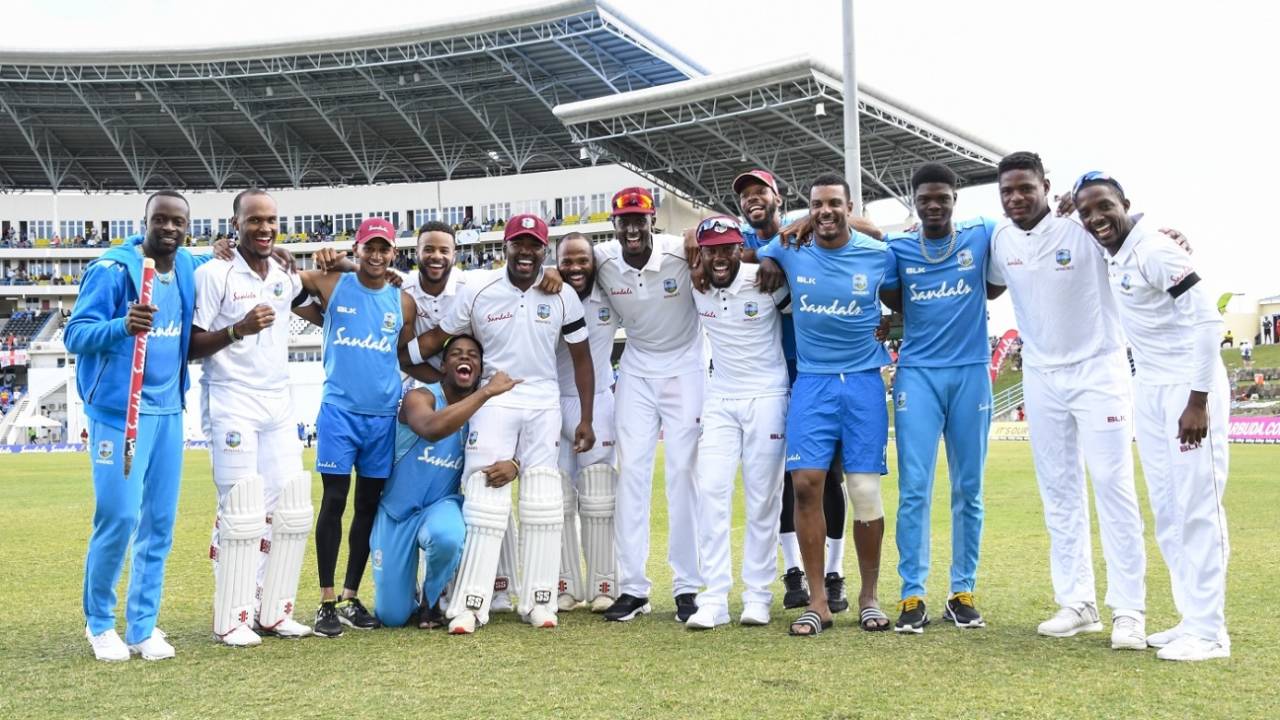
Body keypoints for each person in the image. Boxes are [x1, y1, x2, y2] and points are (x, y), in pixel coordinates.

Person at [402, 213, 595, 633]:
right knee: (483, 492)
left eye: (534, 245)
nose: (525, 252)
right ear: (504, 247)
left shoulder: (561, 294)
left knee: (542, 498)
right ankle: (471, 599)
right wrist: (400, 356)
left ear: (544, 250)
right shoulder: (480, 291)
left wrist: (586, 417)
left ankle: (540, 600)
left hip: (543, 400)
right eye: (518, 244)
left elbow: (582, 360)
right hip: (493, 398)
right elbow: (438, 338)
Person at [986, 152, 1148, 648]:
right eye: (1006, 192)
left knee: (1112, 485)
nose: (1015, 199)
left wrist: (1170, 232)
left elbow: (1131, 226)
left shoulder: (1080, 226)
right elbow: (989, 286)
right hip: (1040, 374)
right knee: (1058, 491)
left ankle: (1129, 610)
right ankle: (1078, 602)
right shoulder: (999, 239)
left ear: (1045, 186)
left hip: (1098, 368)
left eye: (1024, 189)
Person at [1074, 173, 1231, 661]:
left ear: (1126, 203)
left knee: (1198, 508)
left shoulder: (1155, 249)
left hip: (1189, 389)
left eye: (1105, 206)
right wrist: (1070, 203)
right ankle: (1191, 619)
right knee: (1168, 510)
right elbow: (1070, 210)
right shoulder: (1115, 249)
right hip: (1152, 388)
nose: (1096, 218)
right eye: (1086, 212)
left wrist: (1198, 400)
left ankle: (1210, 632)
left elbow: (1208, 320)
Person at [65, 190, 207, 661]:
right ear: (144, 221)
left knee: (159, 523)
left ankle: (143, 626)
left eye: (178, 222)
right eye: (160, 220)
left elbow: (223, 260)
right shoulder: (111, 270)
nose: (169, 228)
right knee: (120, 517)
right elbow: (76, 334)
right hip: (118, 414)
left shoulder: (186, 264)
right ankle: (100, 624)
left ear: (187, 227)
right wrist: (122, 326)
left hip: (169, 411)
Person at [757, 173, 893, 636]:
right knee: (807, 485)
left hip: (863, 383)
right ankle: (817, 601)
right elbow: (742, 249)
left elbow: (902, 296)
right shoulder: (790, 249)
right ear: (808, 208)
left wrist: (891, 321)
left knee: (863, 491)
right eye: (817, 205)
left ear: (849, 206)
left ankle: (869, 597)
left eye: (835, 204)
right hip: (812, 384)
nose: (826, 211)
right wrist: (791, 228)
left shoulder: (878, 255)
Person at [188, 189, 315, 646]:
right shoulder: (213, 273)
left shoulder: (283, 270)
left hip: (278, 402)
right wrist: (237, 329)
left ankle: (273, 611)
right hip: (232, 398)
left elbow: (316, 285)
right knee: (242, 507)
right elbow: (190, 346)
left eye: (271, 221)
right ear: (235, 223)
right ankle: (232, 616)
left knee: (287, 507)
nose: (264, 228)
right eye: (254, 220)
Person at [729, 169, 854, 613]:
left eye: (760, 191)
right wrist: (767, 253)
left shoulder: (806, 228)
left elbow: (868, 228)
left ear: (778, 196)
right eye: (744, 195)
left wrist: (789, 236)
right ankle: (793, 570)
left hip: (818, 370)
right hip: (769, 376)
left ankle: (835, 573)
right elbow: (704, 244)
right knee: (785, 479)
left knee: (829, 477)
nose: (752, 199)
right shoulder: (745, 239)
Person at [879, 163, 996, 633]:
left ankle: (962, 590)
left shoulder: (981, 233)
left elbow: (1025, 238)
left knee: (969, 489)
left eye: (941, 198)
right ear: (915, 201)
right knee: (914, 489)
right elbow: (888, 295)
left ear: (954, 200)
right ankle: (912, 595)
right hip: (918, 377)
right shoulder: (899, 247)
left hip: (970, 374)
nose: (933, 205)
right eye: (925, 198)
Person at [299, 217, 417, 637]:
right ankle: (326, 601)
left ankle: (350, 596)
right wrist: (340, 264)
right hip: (339, 413)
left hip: (382, 417)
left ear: (394, 253)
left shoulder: (403, 303)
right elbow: (292, 281)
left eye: (385, 249)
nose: (377, 255)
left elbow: (398, 352)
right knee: (334, 501)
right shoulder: (333, 284)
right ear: (358, 248)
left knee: (367, 506)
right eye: (370, 248)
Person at [591, 187, 704, 623]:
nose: (633, 228)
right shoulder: (603, 260)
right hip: (636, 368)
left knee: (681, 475)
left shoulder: (681, 252)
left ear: (653, 219)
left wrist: (695, 230)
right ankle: (633, 588)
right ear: (615, 225)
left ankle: (688, 587)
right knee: (631, 476)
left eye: (640, 219)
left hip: (686, 366)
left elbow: (717, 239)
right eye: (625, 220)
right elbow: (570, 260)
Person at [370, 336, 519, 628]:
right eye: (456, 354)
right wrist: (486, 391)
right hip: (396, 511)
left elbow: (519, 445)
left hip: (441, 504)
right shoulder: (420, 396)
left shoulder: (487, 413)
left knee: (448, 537)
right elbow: (432, 428)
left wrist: (515, 465)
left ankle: (431, 598)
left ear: (479, 367)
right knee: (392, 617)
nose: (466, 359)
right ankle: (403, 588)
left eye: (474, 355)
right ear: (442, 365)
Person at [685, 216, 790, 629]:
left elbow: (801, 318)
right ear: (702, 253)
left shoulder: (764, 279)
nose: (720, 257)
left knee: (763, 497)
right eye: (711, 250)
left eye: (727, 248)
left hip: (767, 394)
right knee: (711, 489)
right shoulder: (697, 286)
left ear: (738, 248)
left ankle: (758, 596)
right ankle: (713, 598)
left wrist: (768, 259)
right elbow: (676, 241)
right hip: (721, 397)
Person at [554, 232, 621, 613]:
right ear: (556, 260)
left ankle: (604, 584)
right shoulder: (546, 292)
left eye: (583, 260)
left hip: (598, 402)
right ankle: (564, 584)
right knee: (557, 498)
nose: (576, 268)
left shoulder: (611, 293)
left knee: (599, 497)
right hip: (552, 401)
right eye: (567, 260)